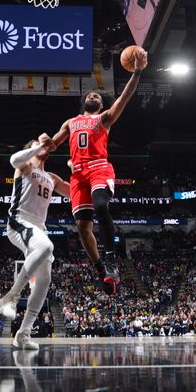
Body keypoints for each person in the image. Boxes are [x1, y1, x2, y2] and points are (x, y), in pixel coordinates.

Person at [41, 47, 148, 293]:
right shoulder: (71, 122)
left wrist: (137, 74)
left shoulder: (104, 119)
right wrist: (44, 142)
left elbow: (124, 98)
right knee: (82, 226)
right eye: (90, 95)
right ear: (84, 102)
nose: (93, 96)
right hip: (77, 174)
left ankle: (110, 258)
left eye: (98, 96)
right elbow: (52, 145)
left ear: (100, 105)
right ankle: (101, 268)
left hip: (99, 168)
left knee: (101, 206)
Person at [0, 139, 70, 350]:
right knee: (47, 247)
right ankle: (12, 295)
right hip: (20, 221)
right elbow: (13, 159)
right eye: (39, 145)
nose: (45, 146)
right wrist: (38, 147)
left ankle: (23, 333)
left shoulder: (52, 178)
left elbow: (74, 194)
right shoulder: (26, 166)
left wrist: (81, 174)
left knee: (44, 281)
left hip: (38, 228)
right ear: (32, 148)